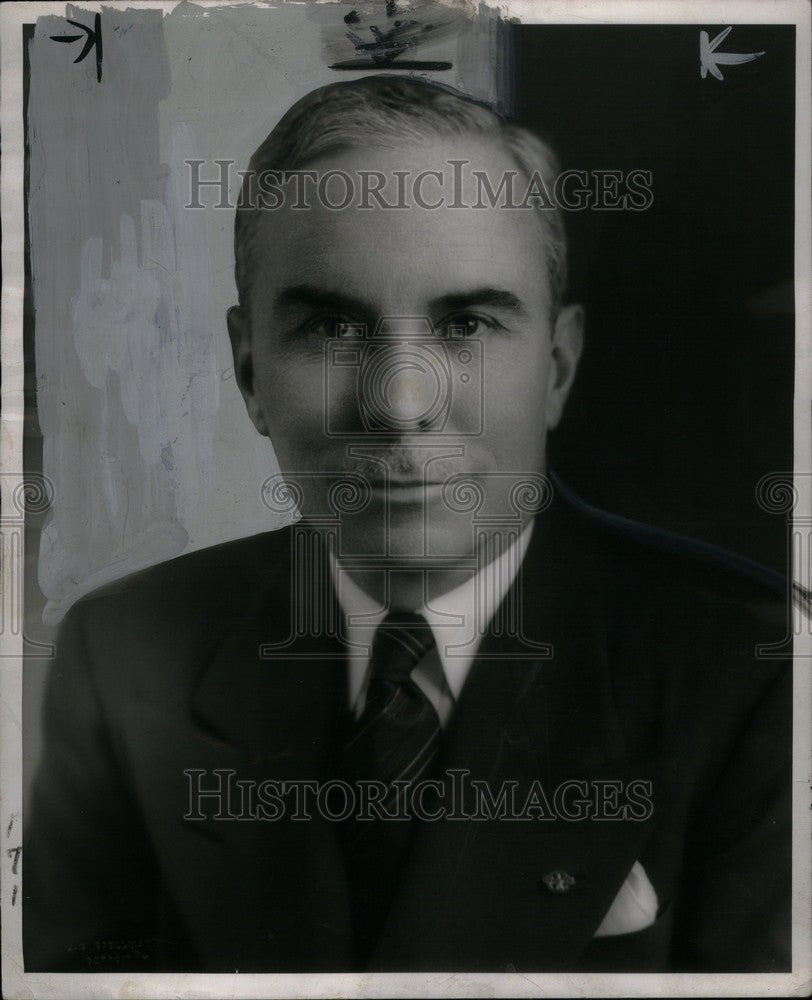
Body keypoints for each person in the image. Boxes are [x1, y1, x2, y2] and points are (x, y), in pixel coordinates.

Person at [24, 76, 791, 974]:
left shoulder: (753, 670)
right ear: (247, 373)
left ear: (556, 367)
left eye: (465, 323)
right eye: (333, 328)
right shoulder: (123, 653)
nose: (401, 403)